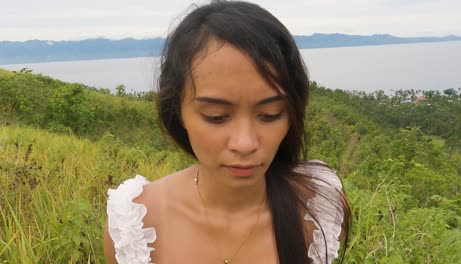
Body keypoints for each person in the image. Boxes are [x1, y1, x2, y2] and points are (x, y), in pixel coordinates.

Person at [103, 1, 351, 263]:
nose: (244, 143)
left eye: (270, 115)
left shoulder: (317, 210)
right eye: (216, 117)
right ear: (178, 111)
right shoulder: (135, 227)